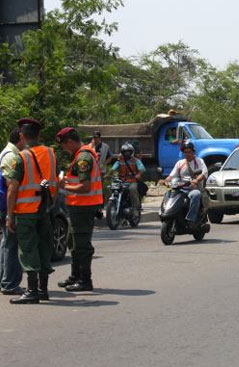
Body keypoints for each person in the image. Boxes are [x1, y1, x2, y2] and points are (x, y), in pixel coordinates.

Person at [5, 118, 58, 304]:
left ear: (21, 135)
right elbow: (54, 182)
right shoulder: (51, 153)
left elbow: (12, 189)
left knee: (28, 249)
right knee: (44, 247)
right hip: (45, 209)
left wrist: (9, 216)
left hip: (26, 211)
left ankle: (32, 290)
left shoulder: (21, 157)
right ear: (39, 135)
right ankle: (43, 289)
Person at [56, 127, 103, 292]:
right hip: (78, 206)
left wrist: (65, 186)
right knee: (72, 242)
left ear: (69, 142)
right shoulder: (81, 155)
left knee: (82, 244)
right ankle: (75, 276)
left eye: (63, 146)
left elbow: (85, 187)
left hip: (84, 206)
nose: (64, 149)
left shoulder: (83, 156)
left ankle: (85, 280)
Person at [0, 127, 26, 295]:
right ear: (21, 137)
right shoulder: (12, 156)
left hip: (4, 205)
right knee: (11, 244)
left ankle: (5, 280)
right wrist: (10, 214)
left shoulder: (7, 153)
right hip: (8, 207)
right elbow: (11, 187)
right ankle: (10, 283)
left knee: (6, 243)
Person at [164, 141, 207, 225]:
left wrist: (196, 180)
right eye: (185, 152)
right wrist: (165, 181)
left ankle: (191, 219)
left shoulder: (199, 161)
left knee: (196, 195)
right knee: (168, 194)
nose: (187, 154)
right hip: (181, 189)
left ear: (193, 152)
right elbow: (172, 176)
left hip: (193, 188)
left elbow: (204, 173)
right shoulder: (180, 163)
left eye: (189, 152)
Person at [111, 143, 145, 217]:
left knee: (132, 189)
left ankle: (135, 208)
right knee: (112, 188)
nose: (127, 153)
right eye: (125, 152)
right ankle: (114, 203)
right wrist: (109, 174)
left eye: (128, 151)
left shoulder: (136, 161)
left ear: (131, 152)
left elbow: (142, 169)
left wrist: (139, 174)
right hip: (121, 181)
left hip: (132, 181)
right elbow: (113, 169)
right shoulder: (119, 161)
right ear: (122, 152)